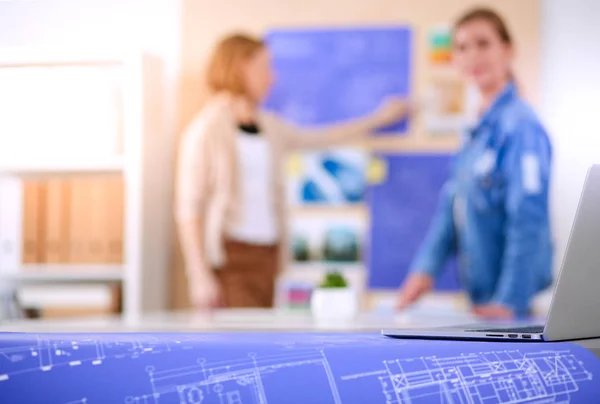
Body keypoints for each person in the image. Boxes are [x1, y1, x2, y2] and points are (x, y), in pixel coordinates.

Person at [176, 33, 409, 310]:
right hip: (231, 258)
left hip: (269, 256)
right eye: (265, 67)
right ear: (241, 67)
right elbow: (189, 208)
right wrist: (199, 275)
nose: (271, 78)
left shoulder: (269, 126)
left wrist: (378, 119)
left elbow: (322, 138)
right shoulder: (206, 130)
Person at [396, 7, 553, 319]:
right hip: (482, 301)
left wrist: (510, 301)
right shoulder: (474, 133)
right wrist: (423, 272)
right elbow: (450, 210)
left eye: (483, 44)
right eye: (462, 47)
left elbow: (528, 218)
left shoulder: (521, 126)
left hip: (512, 307)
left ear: (507, 50)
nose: (472, 57)